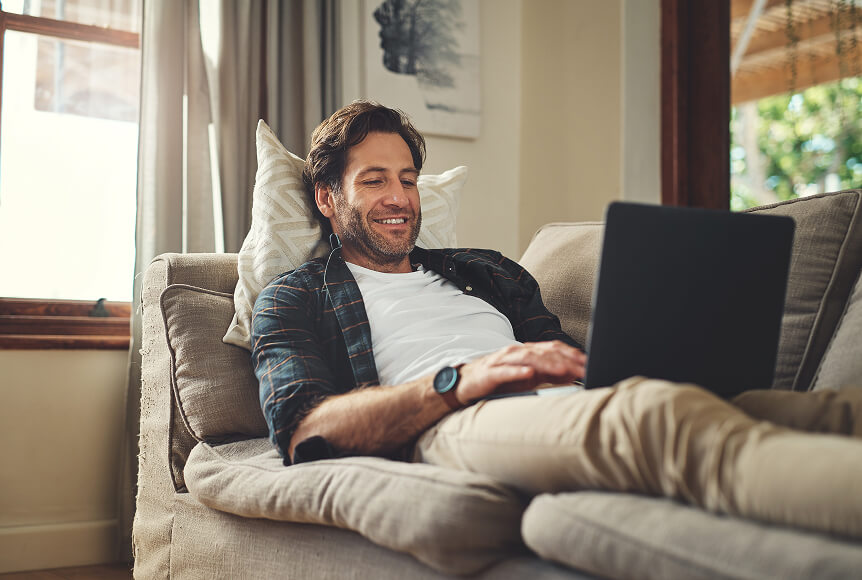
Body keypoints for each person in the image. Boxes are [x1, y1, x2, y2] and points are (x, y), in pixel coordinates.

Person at [251, 100, 862, 540]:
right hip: (452, 424)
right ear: (327, 198)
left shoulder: (485, 270)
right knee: (654, 418)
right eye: (374, 181)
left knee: (805, 410)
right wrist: (461, 380)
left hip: (560, 402)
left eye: (408, 180)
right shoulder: (294, 297)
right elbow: (304, 431)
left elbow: (559, 353)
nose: (399, 198)